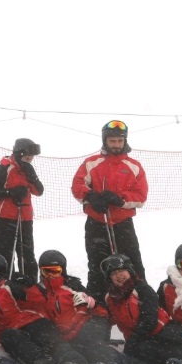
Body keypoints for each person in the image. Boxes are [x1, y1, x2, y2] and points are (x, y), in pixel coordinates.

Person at [26, 250, 136, 364]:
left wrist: (92, 303)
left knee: (92, 346)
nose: (51, 276)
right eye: (46, 271)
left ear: (63, 270)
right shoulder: (35, 292)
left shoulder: (72, 286)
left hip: (85, 327)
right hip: (62, 334)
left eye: (55, 271)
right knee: (59, 345)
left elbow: (104, 312)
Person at [71, 120, 148, 299]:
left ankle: (141, 300)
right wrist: (91, 197)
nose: (116, 145)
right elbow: (77, 185)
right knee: (97, 264)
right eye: (112, 141)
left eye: (120, 141)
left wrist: (120, 199)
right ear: (105, 141)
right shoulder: (92, 163)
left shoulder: (133, 166)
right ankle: (99, 303)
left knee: (132, 263)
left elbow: (141, 195)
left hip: (123, 224)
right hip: (96, 223)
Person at [0, 252, 67, 364]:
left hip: (28, 320)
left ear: (0, 270)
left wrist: (28, 288)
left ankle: (69, 360)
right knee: (12, 339)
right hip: (8, 331)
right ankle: (40, 363)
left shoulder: (9, 286)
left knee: (44, 333)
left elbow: (38, 301)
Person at [0, 138, 44, 279]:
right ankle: (5, 283)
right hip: (4, 218)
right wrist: (11, 192)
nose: (29, 160)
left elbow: (38, 191)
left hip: (25, 217)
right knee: (5, 253)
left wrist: (33, 177)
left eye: (31, 158)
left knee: (26, 254)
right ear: (19, 154)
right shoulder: (3, 168)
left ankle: (29, 285)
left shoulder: (28, 170)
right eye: (26, 158)